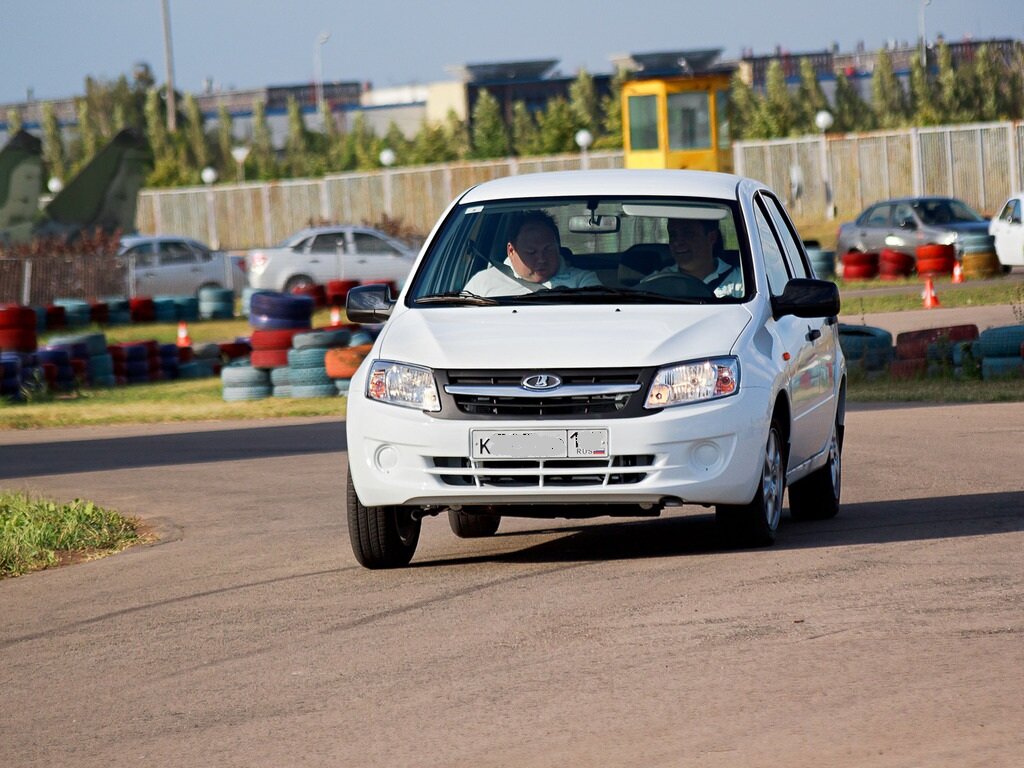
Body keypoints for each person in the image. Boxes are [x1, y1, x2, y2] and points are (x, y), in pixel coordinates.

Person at [463, 210, 600, 296]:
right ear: (511, 251)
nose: (541, 259)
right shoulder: (482, 283)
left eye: (548, 249)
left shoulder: (584, 282)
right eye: (532, 252)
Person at [641, 217, 744, 298]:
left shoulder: (741, 282)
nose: (677, 242)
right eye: (673, 235)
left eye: (688, 234)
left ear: (711, 237)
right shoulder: (655, 284)